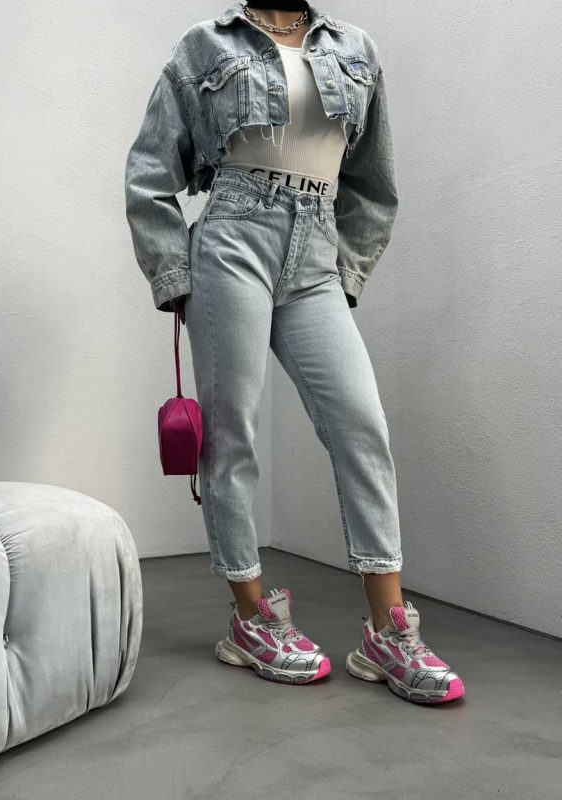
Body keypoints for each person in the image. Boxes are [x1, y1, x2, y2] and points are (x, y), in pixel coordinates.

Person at [124, 0, 465, 703]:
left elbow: (373, 183)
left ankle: (388, 631)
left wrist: (346, 271)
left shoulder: (356, 48)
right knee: (232, 435)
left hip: (315, 248)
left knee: (361, 425)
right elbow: (150, 170)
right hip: (232, 239)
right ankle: (250, 617)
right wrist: (174, 276)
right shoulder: (204, 44)